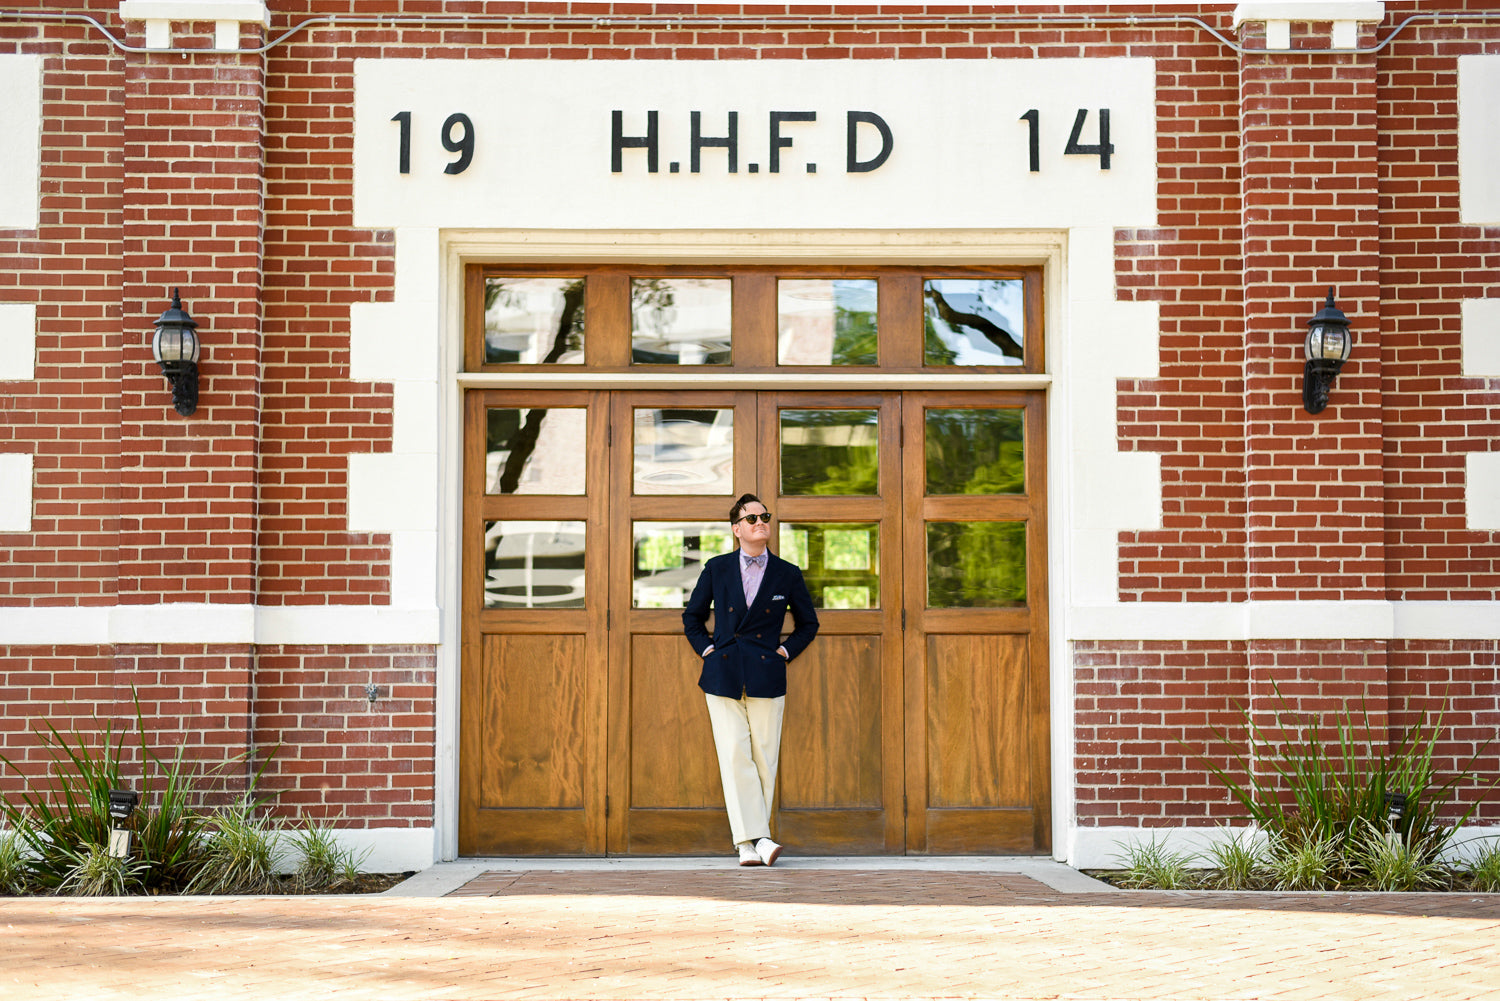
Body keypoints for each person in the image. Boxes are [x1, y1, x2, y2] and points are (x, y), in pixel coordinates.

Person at [682, 493, 819, 866]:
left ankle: (748, 843)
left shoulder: (786, 573)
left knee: (764, 758)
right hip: (722, 673)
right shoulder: (717, 567)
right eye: (752, 518)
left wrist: (786, 652)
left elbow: (809, 624)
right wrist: (707, 650)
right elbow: (692, 617)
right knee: (734, 754)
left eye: (765, 517)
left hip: (766, 674)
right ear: (736, 529)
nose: (761, 522)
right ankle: (756, 841)